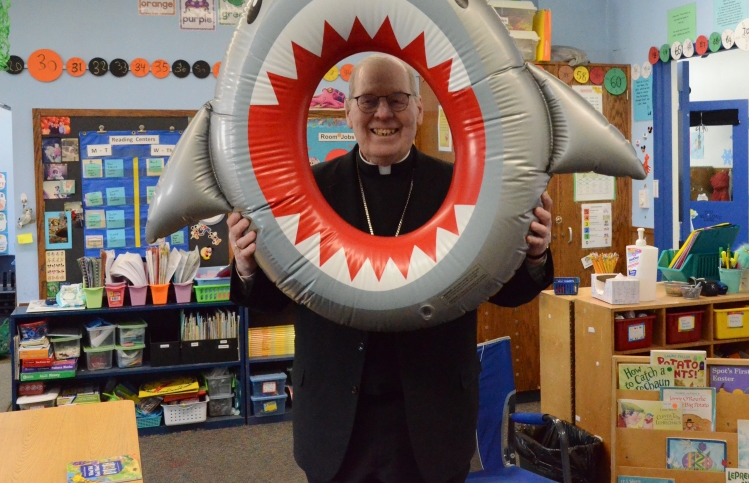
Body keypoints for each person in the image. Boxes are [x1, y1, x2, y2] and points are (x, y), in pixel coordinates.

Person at [229, 54, 554, 483]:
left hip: (432, 417)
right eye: (368, 101)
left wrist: (533, 255)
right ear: (348, 112)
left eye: (398, 99)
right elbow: (271, 300)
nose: (383, 113)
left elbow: (505, 290)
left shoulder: (462, 189)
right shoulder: (306, 192)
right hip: (335, 418)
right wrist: (248, 264)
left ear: (419, 109)